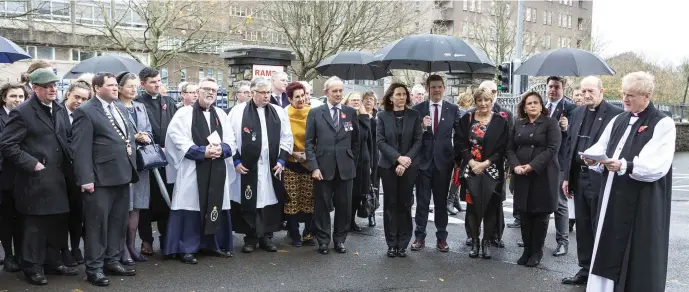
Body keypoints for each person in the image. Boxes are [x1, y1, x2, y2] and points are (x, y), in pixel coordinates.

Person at [583, 72, 675, 292]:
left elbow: (656, 165)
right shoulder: (619, 119)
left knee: (637, 250)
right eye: (623, 94)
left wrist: (625, 166)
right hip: (612, 194)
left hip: (642, 200)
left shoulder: (663, 123)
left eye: (631, 95)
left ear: (647, 95)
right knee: (608, 244)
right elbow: (602, 147)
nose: (625, 99)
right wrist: (590, 158)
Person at [0, 68, 79, 285]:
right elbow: (7, 145)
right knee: (35, 225)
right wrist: (31, 163)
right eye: (47, 86)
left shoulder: (60, 109)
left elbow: (66, 138)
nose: (53, 89)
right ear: (35, 89)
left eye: (54, 85)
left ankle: (52, 261)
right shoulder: (22, 112)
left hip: (59, 177)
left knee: (57, 222)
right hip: (34, 180)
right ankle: (32, 267)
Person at [71, 72, 139, 286]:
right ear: (96, 87)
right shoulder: (85, 111)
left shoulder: (118, 106)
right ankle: (94, 268)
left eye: (115, 85)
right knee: (97, 226)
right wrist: (85, 179)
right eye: (110, 85)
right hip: (99, 180)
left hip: (121, 175)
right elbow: (80, 149)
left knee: (117, 223)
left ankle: (112, 260)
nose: (115, 88)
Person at [163, 77, 234, 264]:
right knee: (191, 204)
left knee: (216, 203)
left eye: (214, 90)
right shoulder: (184, 113)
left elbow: (231, 140)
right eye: (206, 89)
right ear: (198, 92)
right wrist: (202, 152)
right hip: (193, 168)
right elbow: (176, 137)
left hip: (217, 167)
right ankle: (187, 248)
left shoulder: (221, 114)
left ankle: (214, 244)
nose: (210, 93)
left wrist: (222, 149)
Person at [560, 76, 623, 285]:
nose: (587, 95)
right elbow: (569, 146)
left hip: (601, 178)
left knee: (600, 226)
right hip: (579, 177)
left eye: (591, 91)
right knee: (584, 227)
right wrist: (566, 177)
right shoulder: (577, 113)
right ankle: (585, 269)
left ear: (601, 92)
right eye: (584, 91)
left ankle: (602, 273)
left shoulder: (616, 115)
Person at [227, 77, 293, 253]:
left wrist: (281, 160)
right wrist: (236, 160)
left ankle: (267, 236)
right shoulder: (238, 111)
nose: (266, 96)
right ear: (253, 93)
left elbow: (287, 137)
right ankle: (251, 237)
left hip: (270, 165)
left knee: (268, 199)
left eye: (269, 92)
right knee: (250, 198)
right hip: (248, 166)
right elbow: (229, 138)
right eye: (263, 92)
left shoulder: (278, 112)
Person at [305, 76, 359, 254]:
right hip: (323, 167)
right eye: (334, 91)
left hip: (345, 167)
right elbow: (309, 143)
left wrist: (352, 161)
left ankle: (340, 240)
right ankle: (323, 240)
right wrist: (314, 167)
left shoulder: (350, 112)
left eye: (340, 91)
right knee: (321, 205)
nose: (338, 94)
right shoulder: (315, 113)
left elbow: (356, 141)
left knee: (344, 205)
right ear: (326, 92)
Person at [507, 91, 561, 268]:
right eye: (529, 103)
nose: (532, 106)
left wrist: (531, 166)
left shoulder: (550, 123)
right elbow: (510, 148)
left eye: (536, 103)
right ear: (524, 106)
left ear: (541, 105)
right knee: (524, 213)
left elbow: (552, 148)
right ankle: (527, 250)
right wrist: (515, 166)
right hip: (521, 175)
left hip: (542, 175)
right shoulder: (518, 124)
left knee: (540, 214)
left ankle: (537, 252)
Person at [455, 88, 510, 259]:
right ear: (475, 102)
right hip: (471, 169)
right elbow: (460, 142)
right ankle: (475, 242)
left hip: (492, 169)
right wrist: (471, 162)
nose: (483, 104)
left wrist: (485, 163)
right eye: (480, 100)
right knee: (472, 207)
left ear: (492, 100)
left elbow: (503, 147)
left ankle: (486, 243)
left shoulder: (501, 121)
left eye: (486, 100)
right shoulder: (467, 118)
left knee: (490, 208)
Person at [410, 75, 460, 252]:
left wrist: (458, 160)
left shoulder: (452, 109)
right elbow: (411, 136)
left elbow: (460, 135)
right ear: (428, 89)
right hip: (423, 163)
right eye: (433, 87)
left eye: (439, 87)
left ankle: (441, 238)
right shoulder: (418, 109)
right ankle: (419, 237)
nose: (436, 90)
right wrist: (422, 127)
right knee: (422, 202)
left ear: (444, 88)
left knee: (440, 202)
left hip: (443, 163)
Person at [134, 67, 178, 256]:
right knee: (146, 202)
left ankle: (166, 239)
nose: (157, 84)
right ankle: (146, 240)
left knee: (167, 200)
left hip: (168, 160)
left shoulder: (169, 101)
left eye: (159, 81)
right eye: (153, 82)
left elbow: (177, 128)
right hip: (146, 160)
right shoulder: (137, 104)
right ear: (142, 84)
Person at [376, 83, 422, 258]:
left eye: (404, 94)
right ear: (390, 97)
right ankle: (391, 243)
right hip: (388, 166)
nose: (401, 97)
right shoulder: (382, 116)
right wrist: (397, 158)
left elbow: (418, 141)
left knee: (405, 203)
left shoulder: (414, 115)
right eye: (398, 94)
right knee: (391, 204)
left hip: (409, 166)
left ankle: (403, 243)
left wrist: (405, 161)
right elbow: (380, 141)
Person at [116, 72, 153, 265]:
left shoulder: (140, 107)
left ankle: (132, 245)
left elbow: (149, 130)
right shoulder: (114, 107)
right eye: (129, 86)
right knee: (124, 207)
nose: (133, 89)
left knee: (137, 206)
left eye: (135, 86)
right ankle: (121, 249)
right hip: (123, 163)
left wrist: (146, 136)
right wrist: (133, 138)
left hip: (141, 163)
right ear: (120, 88)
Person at [59, 80, 92, 267]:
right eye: (76, 97)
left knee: (78, 214)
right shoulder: (57, 113)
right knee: (64, 214)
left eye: (84, 98)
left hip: (79, 172)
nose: (79, 101)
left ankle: (76, 247)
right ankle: (63, 249)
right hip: (61, 172)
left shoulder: (86, 115)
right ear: (68, 94)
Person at [544, 76, 576, 257]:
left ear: (563, 89)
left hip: (560, 161)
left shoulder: (570, 109)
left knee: (560, 203)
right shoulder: (541, 106)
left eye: (557, 87)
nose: (552, 90)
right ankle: (534, 237)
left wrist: (566, 128)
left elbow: (576, 134)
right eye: (550, 86)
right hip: (541, 160)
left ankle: (562, 242)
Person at [282, 82, 316, 247]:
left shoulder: (314, 113)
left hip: (310, 162)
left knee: (309, 199)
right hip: (291, 162)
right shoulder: (283, 114)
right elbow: (279, 138)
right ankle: (294, 234)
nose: (302, 99)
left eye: (303, 95)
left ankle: (308, 233)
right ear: (289, 98)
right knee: (292, 200)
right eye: (297, 97)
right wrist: (292, 154)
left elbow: (319, 136)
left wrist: (308, 155)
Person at [0, 82, 27, 272]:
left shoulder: (25, 116)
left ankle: (20, 254)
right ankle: (8, 255)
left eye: (20, 97)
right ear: (4, 98)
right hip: (3, 176)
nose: (17, 100)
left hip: (23, 175)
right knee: (6, 218)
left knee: (22, 217)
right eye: (13, 96)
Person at [343, 92, 373, 232]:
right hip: (350, 158)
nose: (356, 102)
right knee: (349, 192)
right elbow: (354, 136)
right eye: (353, 100)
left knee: (359, 192)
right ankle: (346, 221)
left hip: (364, 160)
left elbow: (367, 137)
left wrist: (363, 115)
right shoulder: (345, 116)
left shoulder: (364, 117)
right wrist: (361, 117)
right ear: (347, 102)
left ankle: (352, 220)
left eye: (358, 100)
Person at [362, 90, 380, 227]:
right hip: (361, 158)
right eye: (366, 98)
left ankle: (371, 213)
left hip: (374, 157)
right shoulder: (358, 117)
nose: (368, 101)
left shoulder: (377, 119)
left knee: (372, 188)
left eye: (371, 99)